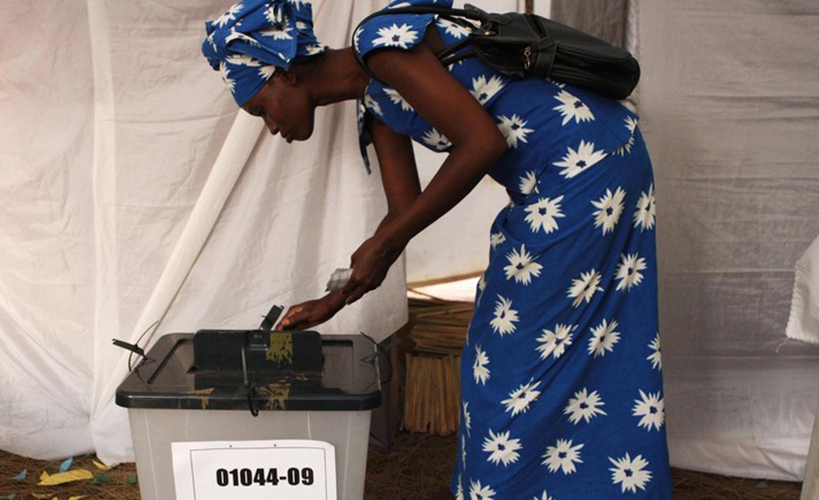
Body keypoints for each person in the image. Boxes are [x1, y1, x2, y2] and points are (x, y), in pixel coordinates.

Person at [202, 0, 672, 498]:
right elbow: (401, 216)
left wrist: (383, 243)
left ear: (285, 75)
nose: (270, 126)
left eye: (260, 109)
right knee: (524, 357)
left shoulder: (380, 45)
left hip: (587, 169)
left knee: (515, 365)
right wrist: (333, 299)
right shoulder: (375, 100)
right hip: (569, 179)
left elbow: (481, 142)